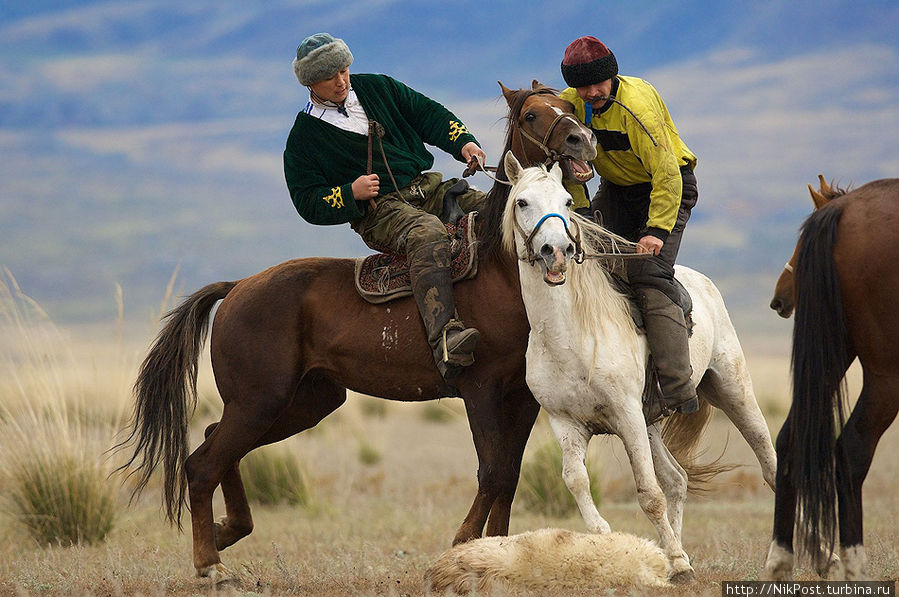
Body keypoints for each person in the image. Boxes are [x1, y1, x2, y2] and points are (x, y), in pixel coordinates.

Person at [283, 33, 487, 382]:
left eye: (344, 70)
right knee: (427, 234)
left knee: (496, 208)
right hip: (380, 213)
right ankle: (446, 338)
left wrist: (463, 142)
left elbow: (428, 114)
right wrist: (350, 193)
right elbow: (306, 200)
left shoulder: (378, 88)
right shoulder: (303, 138)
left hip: (429, 188)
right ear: (310, 82)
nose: (341, 80)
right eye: (329, 76)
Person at [559, 36, 699, 418]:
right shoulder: (572, 104)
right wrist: (583, 209)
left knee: (646, 275)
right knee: (585, 261)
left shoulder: (635, 106)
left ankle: (676, 390)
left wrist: (655, 231)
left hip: (665, 189)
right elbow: (565, 159)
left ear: (612, 75)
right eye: (582, 86)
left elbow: (667, 173)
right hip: (618, 190)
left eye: (597, 83)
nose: (591, 92)